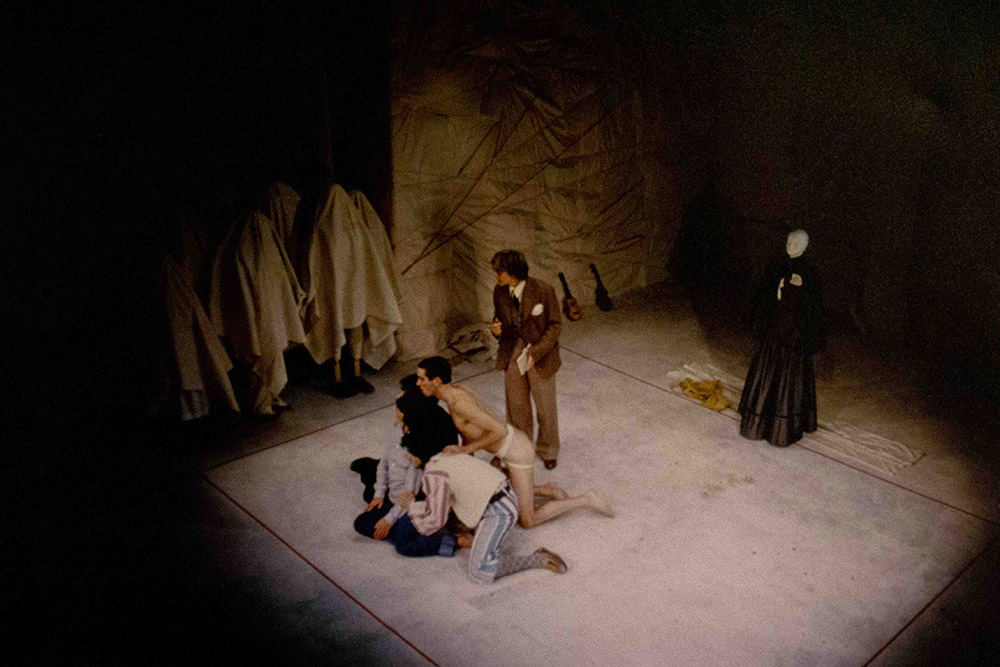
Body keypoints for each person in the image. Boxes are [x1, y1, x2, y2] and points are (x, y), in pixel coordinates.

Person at [415, 356, 613, 529]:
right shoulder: (454, 394)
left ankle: (586, 499)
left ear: (437, 380)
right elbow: (473, 430)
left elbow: (499, 430)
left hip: (517, 451)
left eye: (422, 379)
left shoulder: (459, 402)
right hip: (505, 449)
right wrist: (470, 456)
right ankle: (546, 489)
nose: (418, 383)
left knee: (528, 520)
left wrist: (466, 449)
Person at [396, 442, 567, 584]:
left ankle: (539, 558)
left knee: (480, 571)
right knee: (480, 553)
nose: (408, 458)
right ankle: (483, 544)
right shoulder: (444, 456)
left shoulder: (434, 474)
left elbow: (435, 519)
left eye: (409, 455)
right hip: (501, 497)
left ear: (418, 456)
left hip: (499, 510)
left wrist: (411, 506)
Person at [353, 375, 468, 557]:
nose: (398, 403)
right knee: (369, 503)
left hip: (420, 493)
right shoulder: (399, 428)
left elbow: (412, 488)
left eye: (403, 398)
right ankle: (403, 530)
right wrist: (379, 493)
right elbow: (386, 462)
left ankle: (449, 540)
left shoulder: (424, 434)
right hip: (399, 486)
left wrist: (390, 519)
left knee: (404, 544)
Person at [738, 229, 824, 447]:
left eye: (797, 243)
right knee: (766, 373)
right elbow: (764, 298)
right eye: (789, 241)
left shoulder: (811, 274)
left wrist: (804, 336)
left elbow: (813, 310)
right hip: (775, 329)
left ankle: (782, 427)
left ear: (805, 246)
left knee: (789, 379)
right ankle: (760, 420)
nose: (791, 245)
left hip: (793, 333)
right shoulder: (776, 267)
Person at [490, 250, 562, 469]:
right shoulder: (499, 291)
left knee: (545, 407)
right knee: (516, 406)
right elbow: (499, 320)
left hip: (540, 354)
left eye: (499, 273)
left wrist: (536, 352)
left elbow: (555, 325)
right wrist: (496, 330)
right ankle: (521, 448)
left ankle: (548, 449)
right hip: (512, 351)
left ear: (513, 273)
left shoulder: (543, 290)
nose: (496, 278)